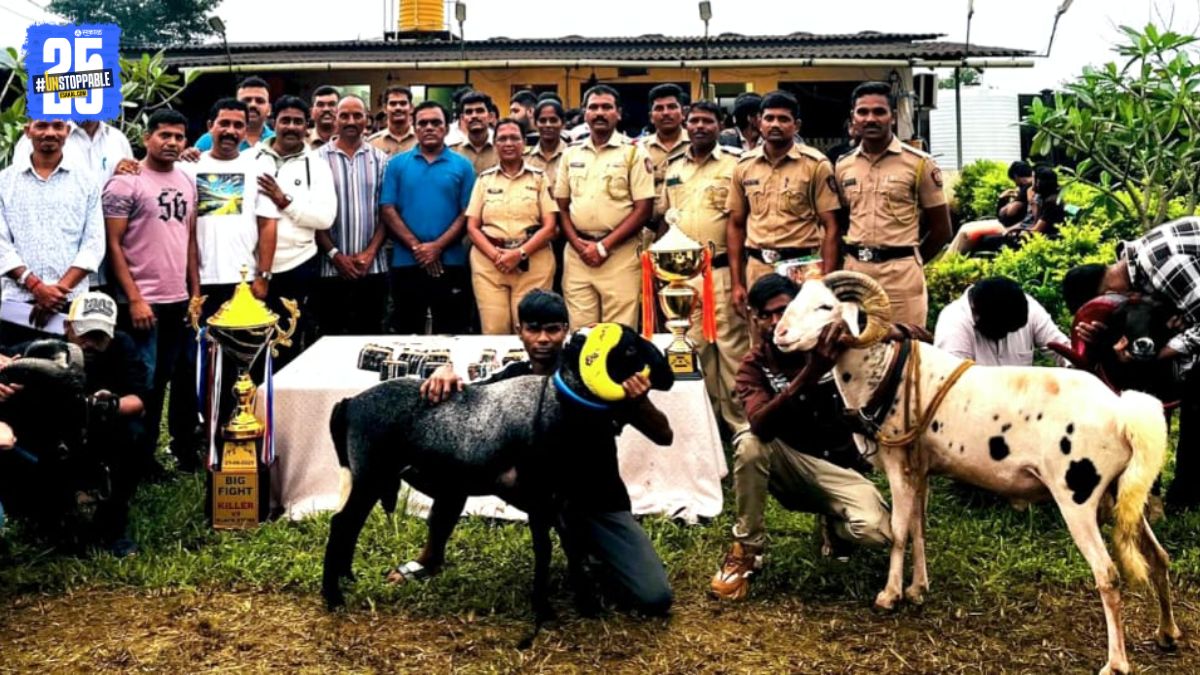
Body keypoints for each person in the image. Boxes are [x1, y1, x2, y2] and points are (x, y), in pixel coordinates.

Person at [414, 290, 674, 615]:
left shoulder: (596, 376)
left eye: (552, 329)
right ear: (519, 330)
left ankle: (592, 556)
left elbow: (664, 435)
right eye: (533, 329)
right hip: (531, 489)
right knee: (458, 465)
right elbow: (468, 411)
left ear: (566, 329)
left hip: (594, 498)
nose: (542, 339)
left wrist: (635, 400)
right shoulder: (511, 378)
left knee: (654, 598)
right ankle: (430, 556)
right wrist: (446, 372)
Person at [710, 274, 893, 601]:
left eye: (783, 311)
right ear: (755, 319)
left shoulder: (840, 342)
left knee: (877, 532)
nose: (775, 322)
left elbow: (891, 337)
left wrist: (894, 330)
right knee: (750, 442)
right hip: (789, 465)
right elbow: (762, 425)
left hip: (840, 468)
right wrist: (811, 374)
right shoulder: (755, 365)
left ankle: (836, 527)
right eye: (764, 316)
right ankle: (746, 550)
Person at [1063, 217, 1200, 510]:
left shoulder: (1161, 267)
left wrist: (1163, 352)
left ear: (1105, 293)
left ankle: (1186, 495)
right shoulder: (1135, 269)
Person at [0, 292, 147, 555]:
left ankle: (113, 529)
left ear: (111, 333)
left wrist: (109, 404)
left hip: (99, 423)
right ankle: (45, 518)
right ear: (68, 327)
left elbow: (138, 399)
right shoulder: (45, 348)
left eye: (99, 336)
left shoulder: (122, 346)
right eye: (84, 335)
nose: (90, 343)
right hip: (49, 431)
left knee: (132, 434)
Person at [102, 110, 199, 473]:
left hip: (178, 301)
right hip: (141, 302)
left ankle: (146, 458)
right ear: (147, 138)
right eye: (165, 136)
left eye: (179, 136)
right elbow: (113, 245)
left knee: (162, 382)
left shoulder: (187, 181)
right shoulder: (125, 183)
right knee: (138, 383)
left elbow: (189, 241)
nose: (172, 142)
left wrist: (195, 293)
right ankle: (128, 460)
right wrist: (136, 299)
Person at [658, 101, 749, 439]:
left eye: (706, 121)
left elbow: (742, 222)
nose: (699, 126)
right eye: (693, 120)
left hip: (723, 270)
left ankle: (740, 425)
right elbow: (664, 220)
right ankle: (706, 427)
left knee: (731, 349)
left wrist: (740, 279)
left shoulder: (735, 165)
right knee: (693, 349)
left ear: (719, 124)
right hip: (682, 277)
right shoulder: (672, 167)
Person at [836, 81, 952, 327]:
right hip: (856, 273)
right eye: (863, 112)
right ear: (853, 118)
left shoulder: (919, 164)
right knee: (855, 350)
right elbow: (843, 220)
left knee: (905, 349)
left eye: (879, 112)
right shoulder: (843, 165)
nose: (870, 119)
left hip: (901, 277)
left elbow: (942, 230)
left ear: (893, 117)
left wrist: (912, 261)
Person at [727, 90, 841, 327]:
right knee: (761, 340)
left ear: (796, 125)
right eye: (769, 118)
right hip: (759, 266)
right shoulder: (744, 166)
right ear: (759, 122)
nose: (775, 124)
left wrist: (825, 283)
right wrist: (737, 283)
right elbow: (736, 224)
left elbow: (831, 226)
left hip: (802, 267)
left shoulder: (815, 165)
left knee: (803, 338)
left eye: (783, 119)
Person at [554, 85, 655, 329]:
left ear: (618, 113)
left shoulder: (634, 153)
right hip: (578, 256)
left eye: (606, 107)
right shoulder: (571, 154)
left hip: (619, 255)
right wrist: (579, 245)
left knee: (619, 335)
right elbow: (562, 207)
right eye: (593, 107)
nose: (600, 113)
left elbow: (644, 209)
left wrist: (603, 246)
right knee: (581, 335)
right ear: (584, 113)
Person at [0, 119, 105, 344]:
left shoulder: (86, 182)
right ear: (28, 131)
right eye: (41, 126)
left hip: (71, 303)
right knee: (14, 371)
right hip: (17, 304)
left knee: (69, 372)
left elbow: (94, 244)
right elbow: (1, 244)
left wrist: (56, 293)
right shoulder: (4, 182)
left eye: (58, 127)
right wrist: (36, 286)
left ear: (67, 132)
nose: (50, 133)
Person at [381, 101, 477, 335]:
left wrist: (437, 247)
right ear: (415, 127)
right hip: (406, 261)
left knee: (452, 330)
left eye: (436, 123)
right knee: (406, 330)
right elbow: (387, 208)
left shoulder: (463, 166)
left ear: (446, 128)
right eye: (423, 123)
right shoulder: (397, 164)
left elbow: (468, 212)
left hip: (451, 262)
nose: (430, 127)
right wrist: (419, 248)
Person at [254, 95, 337, 365]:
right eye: (285, 120)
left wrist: (285, 201)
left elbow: (325, 218)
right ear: (273, 122)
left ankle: (284, 406)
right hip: (250, 268)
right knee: (250, 343)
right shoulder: (249, 158)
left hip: (297, 266)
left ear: (307, 126)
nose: (291, 127)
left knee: (287, 345)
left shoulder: (318, 166)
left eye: (298, 122)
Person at [465, 119, 558, 334]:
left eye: (514, 138)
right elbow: (472, 226)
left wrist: (519, 253)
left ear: (524, 143)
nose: (509, 143)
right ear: (495, 144)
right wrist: (497, 256)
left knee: (531, 329)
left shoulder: (539, 178)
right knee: (494, 329)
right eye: (502, 139)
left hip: (533, 262)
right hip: (489, 263)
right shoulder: (484, 180)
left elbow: (550, 226)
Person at [315, 95, 391, 336]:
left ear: (366, 119)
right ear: (335, 119)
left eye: (357, 115)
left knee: (370, 336)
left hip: (372, 267)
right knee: (330, 337)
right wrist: (335, 255)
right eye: (344, 115)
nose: (351, 121)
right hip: (329, 268)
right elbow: (312, 213)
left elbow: (385, 212)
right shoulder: (316, 160)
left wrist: (369, 254)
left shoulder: (381, 160)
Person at [933, 277, 1069, 367]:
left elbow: (1063, 351)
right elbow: (954, 385)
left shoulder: (1028, 307)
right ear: (976, 313)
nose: (1006, 335)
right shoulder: (953, 323)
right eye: (1002, 329)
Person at [525, 99, 570, 293]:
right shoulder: (525, 157)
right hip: (535, 237)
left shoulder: (573, 154)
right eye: (542, 120)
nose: (548, 125)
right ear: (535, 123)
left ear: (563, 123)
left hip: (568, 234)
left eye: (553, 120)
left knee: (564, 288)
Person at [945, 161, 1035, 256]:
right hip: (1010, 225)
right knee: (966, 228)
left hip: (1009, 227)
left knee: (966, 231)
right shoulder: (1030, 188)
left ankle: (948, 261)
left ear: (1016, 176)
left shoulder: (1026, 189)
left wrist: (1003, 201)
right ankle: (948, 260)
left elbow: (1009, 212)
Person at [193, 76, 275, 152]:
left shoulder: (276, 141)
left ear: (269, 109)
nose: (253, 105)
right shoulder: (208, 140)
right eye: (246, 100)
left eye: (260, 101)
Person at [641, 84, 691, 193]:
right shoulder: (639, 150)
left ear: (683, 113)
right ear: (651, 117)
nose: (666, 113)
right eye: (659, 108)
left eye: (672, 107)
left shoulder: (696, 145)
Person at [449, 91, 499, 175]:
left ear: (491, 117)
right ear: (462, 118)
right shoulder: (452, 152)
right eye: (469, 112)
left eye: (480, 111)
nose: (474, 115)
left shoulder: (503, 150)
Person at [367, 85, 418, 157]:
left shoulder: (421, 139)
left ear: (411, 108)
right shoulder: (372, 143)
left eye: (403, 103)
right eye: (393, 104)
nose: (398, 108)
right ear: (384, 108)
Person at [308, 85, 341, 149]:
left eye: (332, 104)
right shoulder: (301, 140)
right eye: (320, 105)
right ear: (311, 112)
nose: (326, 109)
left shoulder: (350, 139)